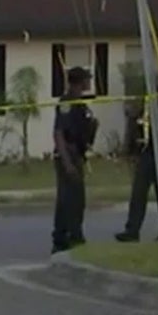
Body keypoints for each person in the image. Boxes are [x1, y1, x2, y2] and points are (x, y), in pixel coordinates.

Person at [116, 89, 158, 242]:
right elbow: (134, 132)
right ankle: (132, 231)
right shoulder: (141, 112)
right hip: (145, 157)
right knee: (138, 194)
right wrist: (131, 152)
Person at [52, 66, 98, 254]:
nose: (89, 82)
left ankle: (68, 236)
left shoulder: (80, 103)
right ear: (79, 81)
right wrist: (67, 162)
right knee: (69, 199)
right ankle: (66, 238)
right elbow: (59, 133)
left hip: (78, 154)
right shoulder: (66, 103)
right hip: (68, 156)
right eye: (87, 79)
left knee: (75, 199)